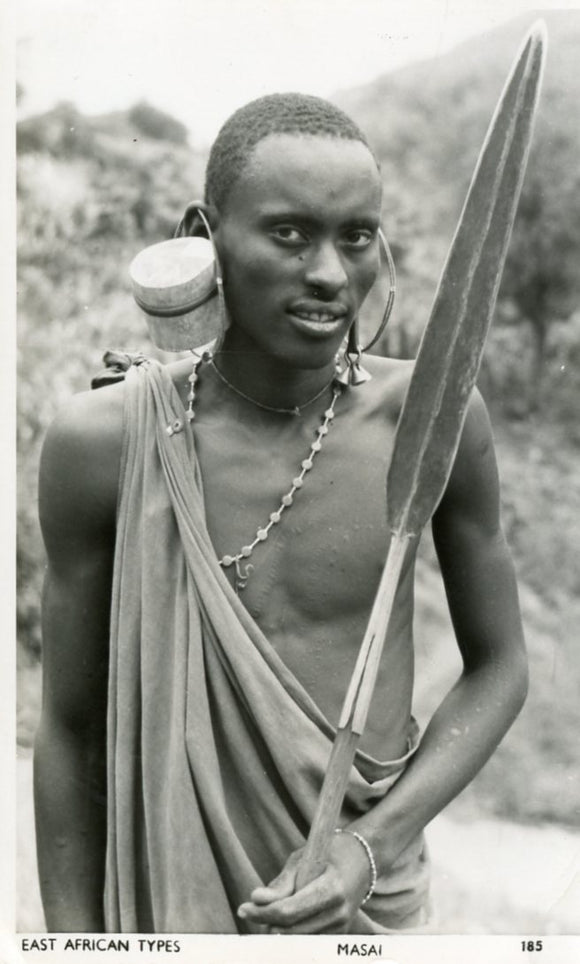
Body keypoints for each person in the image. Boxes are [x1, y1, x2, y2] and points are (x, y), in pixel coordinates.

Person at [35, 93, 528, 935]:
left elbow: (502, 668)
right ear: (207, 235)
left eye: (357, 236)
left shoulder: (432, 420)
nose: (331, 274)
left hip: (368, 916)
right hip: (170, 913)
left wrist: (367, 848)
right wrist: (74, 947)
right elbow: (70, 731)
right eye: (290, 234)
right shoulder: (106, 442)